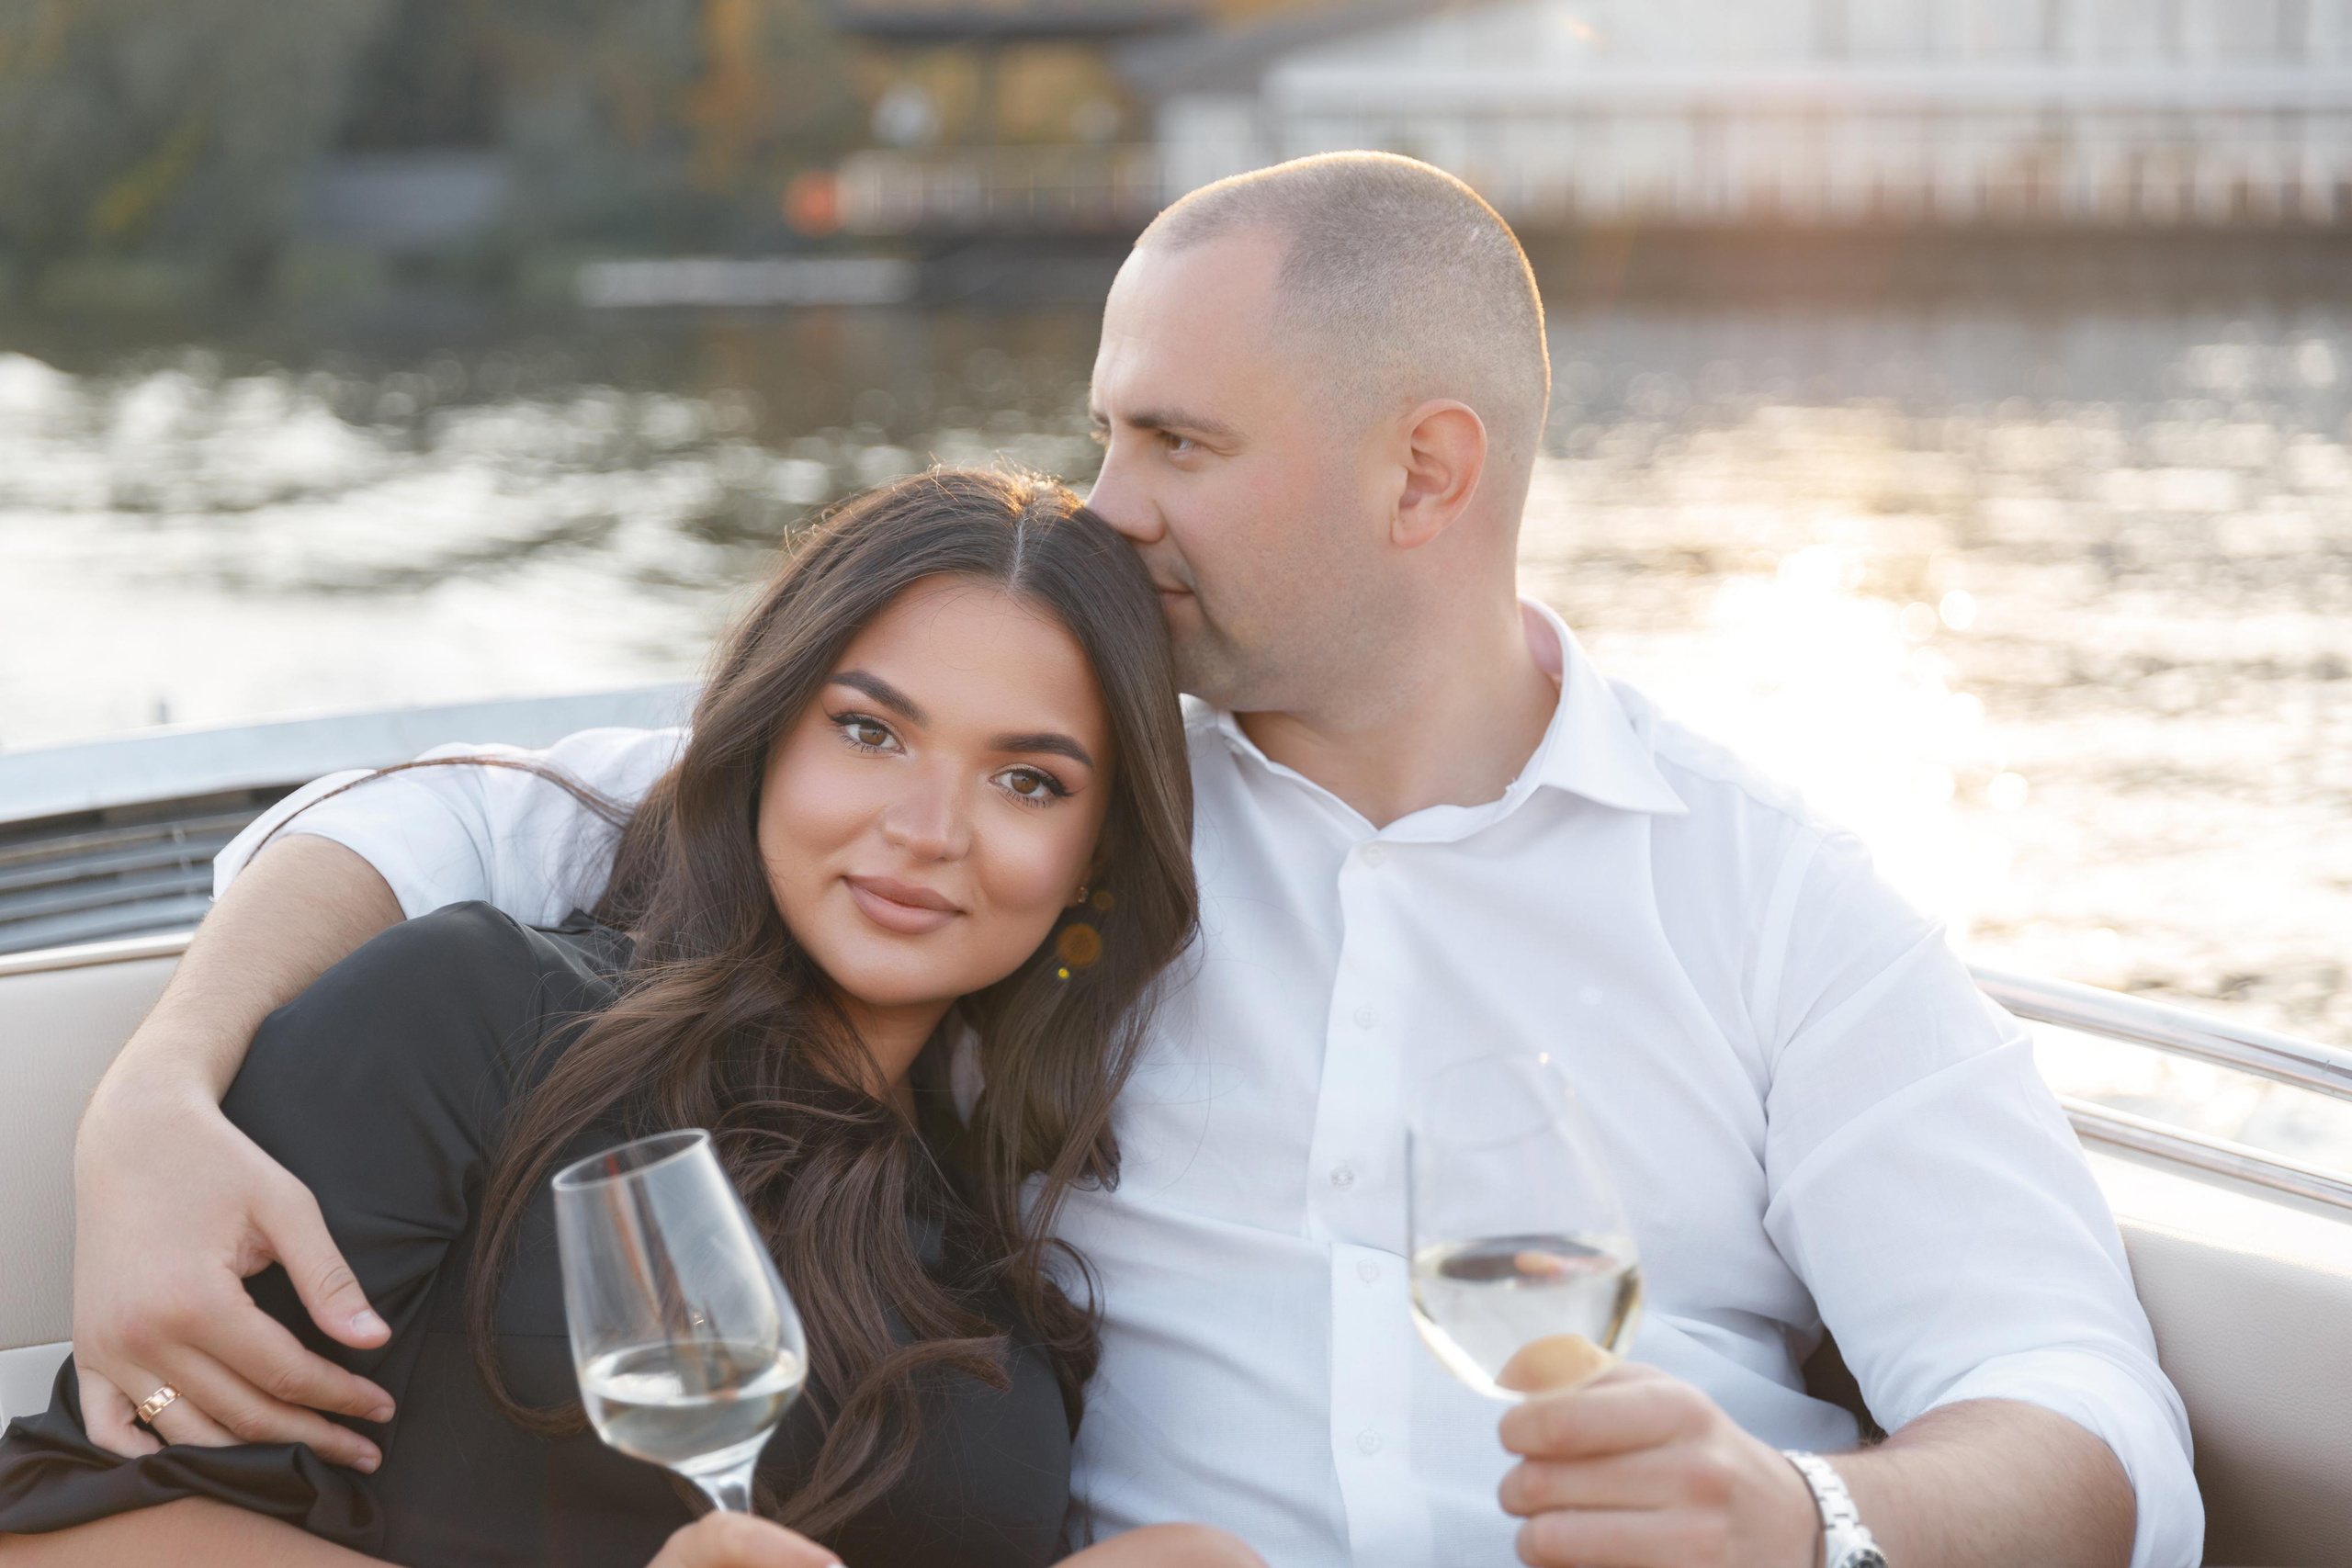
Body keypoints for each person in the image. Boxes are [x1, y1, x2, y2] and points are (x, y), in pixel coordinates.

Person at [55, 154, 2199, 1568]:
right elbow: (480, 808)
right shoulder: (1069, 777)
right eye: (1104, 430)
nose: (1104, 504)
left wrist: (1803, 1517)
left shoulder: (1768, 897)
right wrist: (163, 1081)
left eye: (1171, 440)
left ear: (1422, 471)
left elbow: (2085, 1424)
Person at [0, 471, 1262, 1568]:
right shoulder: (478, 1025)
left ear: (1095, 856)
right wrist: (154, 1088)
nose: (929, 832)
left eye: (1026, 780)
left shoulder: (999, 1229)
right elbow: (61, 1527)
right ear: (766, 738)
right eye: (870, 732)